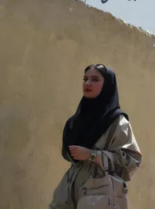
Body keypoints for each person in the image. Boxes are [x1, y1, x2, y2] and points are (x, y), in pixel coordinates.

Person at [50, 64, 142, 209]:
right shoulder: (75, 121)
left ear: (107, 85)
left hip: (99, 193)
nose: (87, 83)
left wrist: (92, 155)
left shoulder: (117, 121)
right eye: (85, 79)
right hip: (69, 189)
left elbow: (132, 161)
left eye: (94, 79)